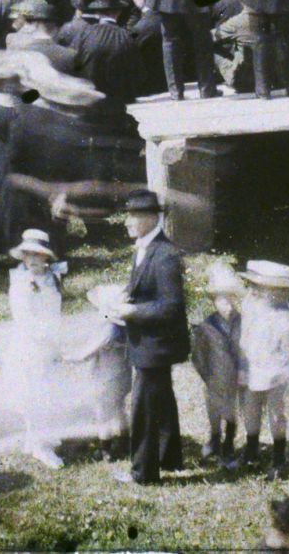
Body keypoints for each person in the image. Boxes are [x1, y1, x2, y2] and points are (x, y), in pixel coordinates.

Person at [101, 188, 190, 486]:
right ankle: (170, 458)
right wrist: (123, 297)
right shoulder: (144, 247)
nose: (126, 222)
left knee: (143, 407)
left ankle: (143, 473)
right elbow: (143, 289)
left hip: (157, 345)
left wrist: (131, 311)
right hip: (149, 341)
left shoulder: (165, 255)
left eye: (133, 216)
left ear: (152, 218)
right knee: (162, 399)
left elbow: (171, 306)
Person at [2, 228, 71, 468]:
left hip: (50, 342)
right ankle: (40, 445)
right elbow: (25, 320)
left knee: (48, 393)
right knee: (35, 394)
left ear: (46, 257)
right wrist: (47, 337)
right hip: (31, 345)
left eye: (37, 255)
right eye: (27, 255)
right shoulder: (20, 283)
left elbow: (54, 309)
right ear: (22, 257)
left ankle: (37, 440)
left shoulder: (51, 278)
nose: (32, 260)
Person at [238, 259, 289, 477]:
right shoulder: (250, 307)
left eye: (282, 291)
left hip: (276, 373)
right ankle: (252, 448)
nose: (276, 295)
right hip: (250, 367)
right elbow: (244, 335)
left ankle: (279, 457)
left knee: (277, 413)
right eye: (267, 290)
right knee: (250, 408)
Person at [191, 261, 246, 469]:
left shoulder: (242, 322)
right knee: (214, 409)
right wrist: (206, 374)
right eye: (223, 300)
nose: (228, 304)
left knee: (231, 411)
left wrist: (243, 369)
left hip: (235, 376)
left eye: (231, 299)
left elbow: (246, 348)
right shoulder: (207, 326)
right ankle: (214, 437)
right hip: (213, 376)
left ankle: (229, 443)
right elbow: (198, 355)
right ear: (214, 300)